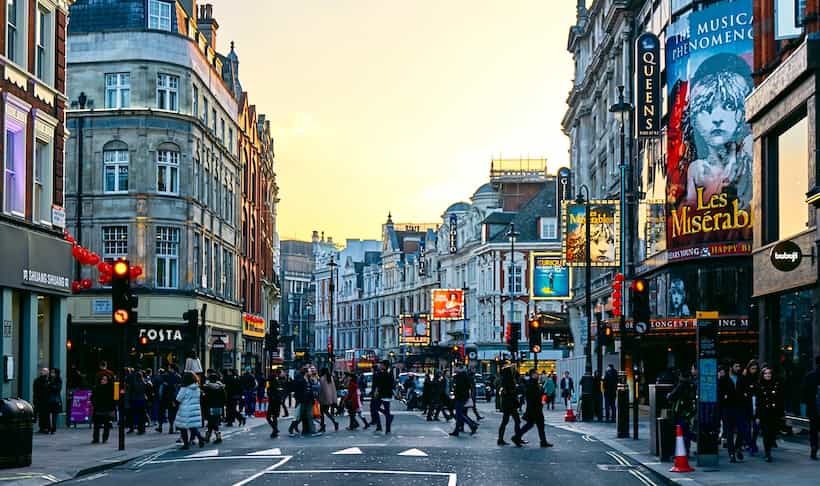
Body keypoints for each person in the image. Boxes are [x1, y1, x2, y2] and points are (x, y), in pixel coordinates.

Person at [512, 368, 553, 448]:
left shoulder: (533, 383)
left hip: (535, 407)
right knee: (534, 425)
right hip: (534, 408)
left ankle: (517, 437)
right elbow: (534, 395)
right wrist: (542, 393)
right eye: (536, 374)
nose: (537, 375)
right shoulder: (531, 384)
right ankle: (517, 437)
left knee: (535, 425)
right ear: (532, 375)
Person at [718, 363, 746, 463]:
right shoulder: (724, 379)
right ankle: (731, 453)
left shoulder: (741, 378)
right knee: (729, 432)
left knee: (742, 429)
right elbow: (720, 394)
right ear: (731, 368)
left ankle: (737, 447)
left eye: (739, 366)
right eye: (736, 366)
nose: (738, 368)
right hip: (728, 408)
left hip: (740, 408)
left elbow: (745, 391)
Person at [667, 369, 696, 455]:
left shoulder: (681, 385)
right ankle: (686, 450)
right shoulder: (692, 385)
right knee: (687, 432)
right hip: (689, 412)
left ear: (681, 376)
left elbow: (671, 397)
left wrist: (669, 395)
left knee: (681, 432)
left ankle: (681, 452)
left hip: (680, 412)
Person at [758, 366, 783, 462]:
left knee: (772, 432)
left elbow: (780, 398)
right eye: (766, 373)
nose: (768, 375)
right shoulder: (759, 385)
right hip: (764, 412)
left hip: (774, 412)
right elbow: (758, 401)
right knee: (766, 433)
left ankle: (770, 445)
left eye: (769, 373)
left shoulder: (776, 384)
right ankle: (767, 452)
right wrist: (757, 415)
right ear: (763, 375)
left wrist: (781, 412)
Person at [175, 372, 205, 449]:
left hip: (185, 409)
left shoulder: (184, 388)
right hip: (194, 409)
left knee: (183, 428)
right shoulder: (197, 388)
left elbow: (178, 398)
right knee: (192, 426)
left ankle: (186, 444)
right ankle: (200, 438)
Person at [449, 365, 478, 437]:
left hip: (460, 397)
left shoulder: (460, 377)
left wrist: (456, 394)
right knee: (460, 414)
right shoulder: (465, 376)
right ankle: (458, 429)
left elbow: (458, 388)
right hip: (464, 397)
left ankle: (471, 425)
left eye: (457, 367)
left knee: (459, 414)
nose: (456, 368)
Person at [801, 355, 820, 460]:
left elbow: (804, 393)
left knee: (814, 430)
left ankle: (814, 448)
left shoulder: (809, 375)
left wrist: (808, 403)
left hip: (813, 408)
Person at [497, 365, 521, 446]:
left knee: (505, 421)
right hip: (511, 404)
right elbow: (512, 393)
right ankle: (517, 438)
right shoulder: (510, 382)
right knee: (516, 420)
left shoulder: (504, 381)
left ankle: (500, 438)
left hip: (507, 404)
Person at [202, 372, 226, 444]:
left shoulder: (207, 388)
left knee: (212, 421)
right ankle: (208, 436)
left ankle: (215, 436)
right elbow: (224, 398)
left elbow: (205, 399)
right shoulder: (221, 387)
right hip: (218, 407)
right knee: (213, 421)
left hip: (210, 407)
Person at [743, 359, 761, 454]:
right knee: (747, 426)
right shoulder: (745, 378)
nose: (754, 370)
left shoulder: (758, 379)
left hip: (756, 403)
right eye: (752, 368)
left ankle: (752, 442)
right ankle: (750, 443)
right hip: (747, 404)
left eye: (755, 368)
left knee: (756, 426)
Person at [91, 374, 115, 444]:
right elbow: (92, 397)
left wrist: (112, 407)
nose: (103, 381)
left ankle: (105, 438)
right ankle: (96, 438)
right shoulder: (96, 388)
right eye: (102, 379)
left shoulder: (110, 389)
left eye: (105, 380)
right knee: (96, 425)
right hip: (98, 408)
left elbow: (113, 399)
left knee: (106, 425)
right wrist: (94, 403)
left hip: (107, 408)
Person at [373, 361, 395, 433]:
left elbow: (378, 384)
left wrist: (377, 391)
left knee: (376, 408)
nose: (380, 366)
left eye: (381, 365)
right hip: (387, 394)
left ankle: (382, 427)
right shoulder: (390, 374)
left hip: (382, 394)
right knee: (382, 410)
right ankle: (387, 429)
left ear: (384, 366)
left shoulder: (381, 374)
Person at [158, 365, 181, 434]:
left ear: (172, 368)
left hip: (165, 397)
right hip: (174, 397)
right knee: (174, 412)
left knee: (162, 412)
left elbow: (161, 387)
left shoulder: (165, 376)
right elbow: (179, 388)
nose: (168, 369)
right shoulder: (178, 377)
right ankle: (173, 426)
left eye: (169, 368)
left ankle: (160, 426)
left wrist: (160, 396)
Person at [318, 368, 339, 432]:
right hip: (330, 398)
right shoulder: (330, 378)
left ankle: (324, 426)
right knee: (325, 412)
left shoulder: (322, 379)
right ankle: (331, 423)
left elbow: (322, 390)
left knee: (323, 412)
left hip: (324, 398)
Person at [127, 370, 148, 435]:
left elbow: (130, 391)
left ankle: (133, 428)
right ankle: (142, 429)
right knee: (142, 416)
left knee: (134, 415)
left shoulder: (134, 383)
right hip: (142, 400)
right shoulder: (144, 383)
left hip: (135, 400)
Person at [266, 369, 285, 438]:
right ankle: (274, 431)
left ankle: (275, 429)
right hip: (278, 401)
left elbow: (268, 389)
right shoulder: (280, 381)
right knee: (274, 416)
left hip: (273, 401)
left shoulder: (270, 380)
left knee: (268, 417)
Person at [33, 368, 51, 434]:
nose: (45, 373)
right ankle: (43, 428)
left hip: (46, 400)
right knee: (41, 414)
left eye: (46, 371)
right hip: (41, 399)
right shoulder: (39, 380)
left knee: (45, 414)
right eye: (43, 371)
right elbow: (35, 390)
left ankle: (46, 428)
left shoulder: (48, 380)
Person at [47, 368, 63, 434]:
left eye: (53, 372)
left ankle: (53, 428)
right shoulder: (50, 379)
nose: (52, 373)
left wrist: (50, 385)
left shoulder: (58, 380)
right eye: (51, 372)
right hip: (49, 399)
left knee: (54, 415)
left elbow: (58, 389)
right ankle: (49, 427)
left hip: (55, 400)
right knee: (48, 414)